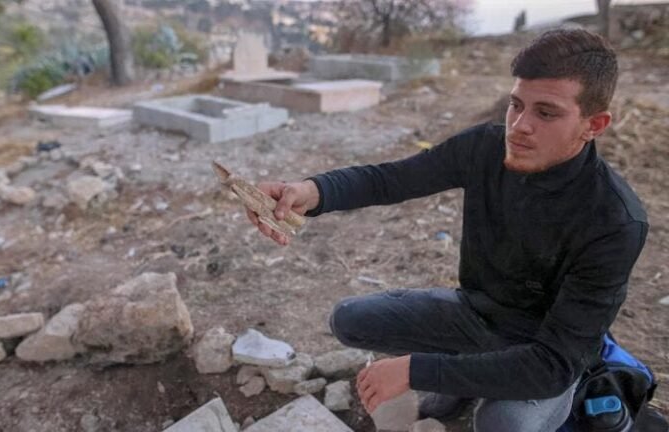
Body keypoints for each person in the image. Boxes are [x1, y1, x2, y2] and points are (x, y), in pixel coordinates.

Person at [246, 29, 648, 431]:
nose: (519, 126)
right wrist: (308, 192)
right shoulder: (485, 148)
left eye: (546, 113)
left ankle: (490, 382)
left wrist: (416, 371)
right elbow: (390, 179)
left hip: (543, 346)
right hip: (476, 311)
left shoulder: (615, 221)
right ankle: (467, 372)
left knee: (501, 424)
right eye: (515, 105)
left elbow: (553, 364)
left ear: (594, 124)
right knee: (350, 320)